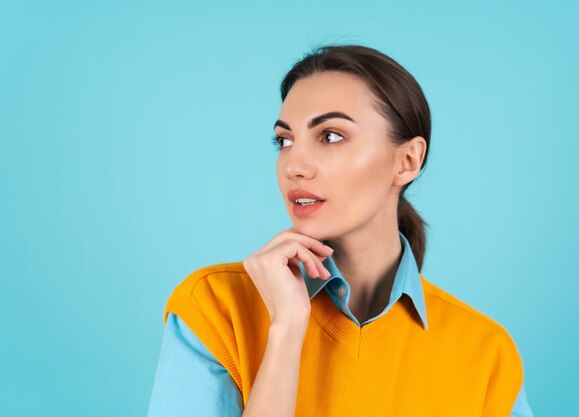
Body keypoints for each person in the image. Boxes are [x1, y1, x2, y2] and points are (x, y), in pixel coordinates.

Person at [147, 44, 534, 417]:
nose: (293, 166)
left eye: (330, 136)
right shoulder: (214, 308)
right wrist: (285, 331)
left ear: (408, 161)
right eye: (284, 140)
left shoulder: (485, 352)